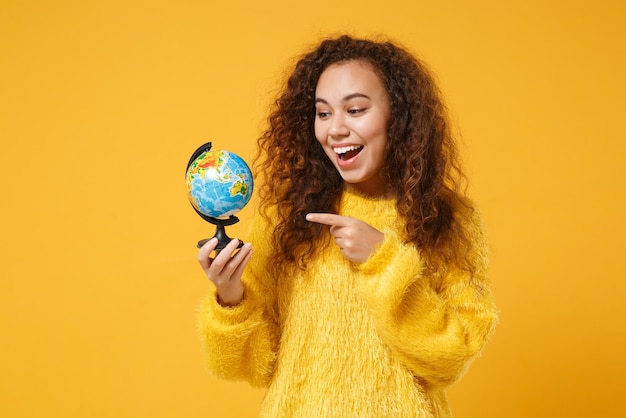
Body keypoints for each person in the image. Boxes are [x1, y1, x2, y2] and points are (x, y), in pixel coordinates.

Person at [196, 34, 498, 417]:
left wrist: (384, 261)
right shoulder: (288, 217)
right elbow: (248, 367)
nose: (335, 129)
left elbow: (451, 358)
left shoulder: (447, 218)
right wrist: (231, 297)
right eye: (323, 113)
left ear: (399, 116)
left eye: (355, 110)